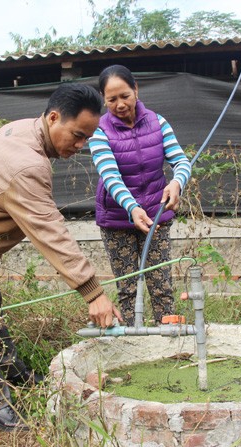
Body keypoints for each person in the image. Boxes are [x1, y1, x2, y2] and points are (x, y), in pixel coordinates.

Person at [0, 83, 122, 432]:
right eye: (77, 135)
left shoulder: (20, 129)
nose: (79, 146)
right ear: (53, 117)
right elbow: (51, 233)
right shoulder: (27, 165)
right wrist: (94, 292)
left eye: (86, 139)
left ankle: (17, 373)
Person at [88, 65, 192, 326]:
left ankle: (170, 341)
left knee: (161, 285)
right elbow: (110, 176)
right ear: (103, 99)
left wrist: (177, 183)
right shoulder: (98, 131)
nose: (120, 104)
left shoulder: (158, 122)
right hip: (117, 219)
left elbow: (182, 162)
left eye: (124, 96)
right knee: (128, 288)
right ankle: (132, 343)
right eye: (111, 100)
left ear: (136, 89)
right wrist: (132, 208)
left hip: (157, 215)